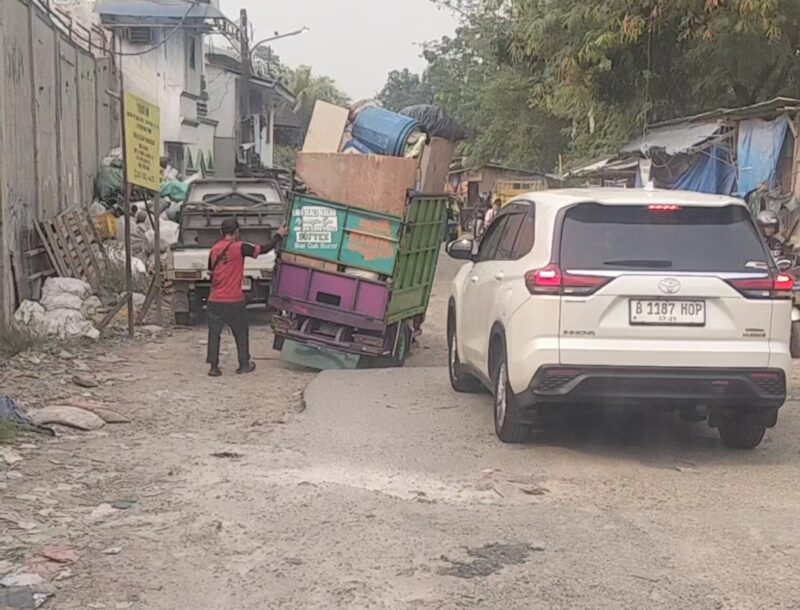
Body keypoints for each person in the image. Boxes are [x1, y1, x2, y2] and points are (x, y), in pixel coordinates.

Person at [206, 218, 288, 377]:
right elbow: (263, 249)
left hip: (214, 299)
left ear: (221, 233)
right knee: (241, 331)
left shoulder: (214, 249)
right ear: (237, 232)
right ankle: (244, 364)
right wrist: (279, 235)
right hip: (234, 300)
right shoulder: (241, 247)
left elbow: (211, 270)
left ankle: (214, 367)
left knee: (214, 333)